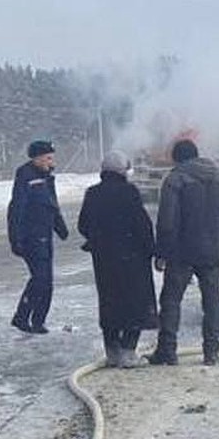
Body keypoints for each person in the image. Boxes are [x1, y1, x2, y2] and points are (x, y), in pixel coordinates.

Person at [146, 138, 219, 366]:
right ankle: (212, 352)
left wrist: (161, 252)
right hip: (213, 252)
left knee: (171, 300)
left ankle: (167, 350)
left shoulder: (175, 179)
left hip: (181, 253)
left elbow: (167, 221)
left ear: (177, 158)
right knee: (212, 300)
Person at [77, 150, 158, 367]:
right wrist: (152, 249)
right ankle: (128, 352)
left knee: (109, 303)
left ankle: (112, 352)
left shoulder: (92, 193)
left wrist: (100, 240)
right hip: (132, 259)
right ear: (123, 171)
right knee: (135, 304)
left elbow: (83, 224)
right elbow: (142, 224)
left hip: (104, 260)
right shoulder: (129, 192)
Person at [8, 138, 68, 334]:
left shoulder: (47, 176)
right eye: (48, 158)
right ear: (37, 158)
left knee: (47, 281)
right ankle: (22, 316)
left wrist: (60, 226)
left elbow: (52, 203)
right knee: (40, 279)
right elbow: (16, 208)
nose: (52, 162)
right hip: (31, 237)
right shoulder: (26, 175)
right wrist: (15, 237)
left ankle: (38, 321)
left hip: (45, 234)